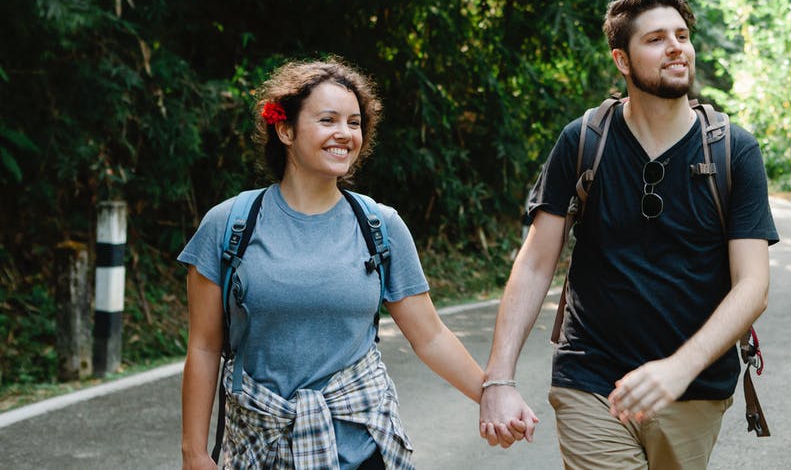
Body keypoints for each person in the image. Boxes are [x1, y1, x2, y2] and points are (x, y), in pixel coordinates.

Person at [179, 58, 534, 469]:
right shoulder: (229, 225)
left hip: (361, 448)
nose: (344, 134)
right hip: (259, 447)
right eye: (328, 120)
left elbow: (430, 336)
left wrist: (491, 392)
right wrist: (194, 451)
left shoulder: (379, 226)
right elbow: (204, 347)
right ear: (285, 129)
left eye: (354, 122)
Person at [479, 0, 779, 468]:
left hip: (694, 388)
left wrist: (680, 368)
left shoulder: (732, 151)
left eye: (682, 35)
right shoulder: (584, 141)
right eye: (656, 39)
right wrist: (499, 379)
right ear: (622, 59)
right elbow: (536, 262)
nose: (676, 46)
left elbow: (753, 285)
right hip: (590, 378)